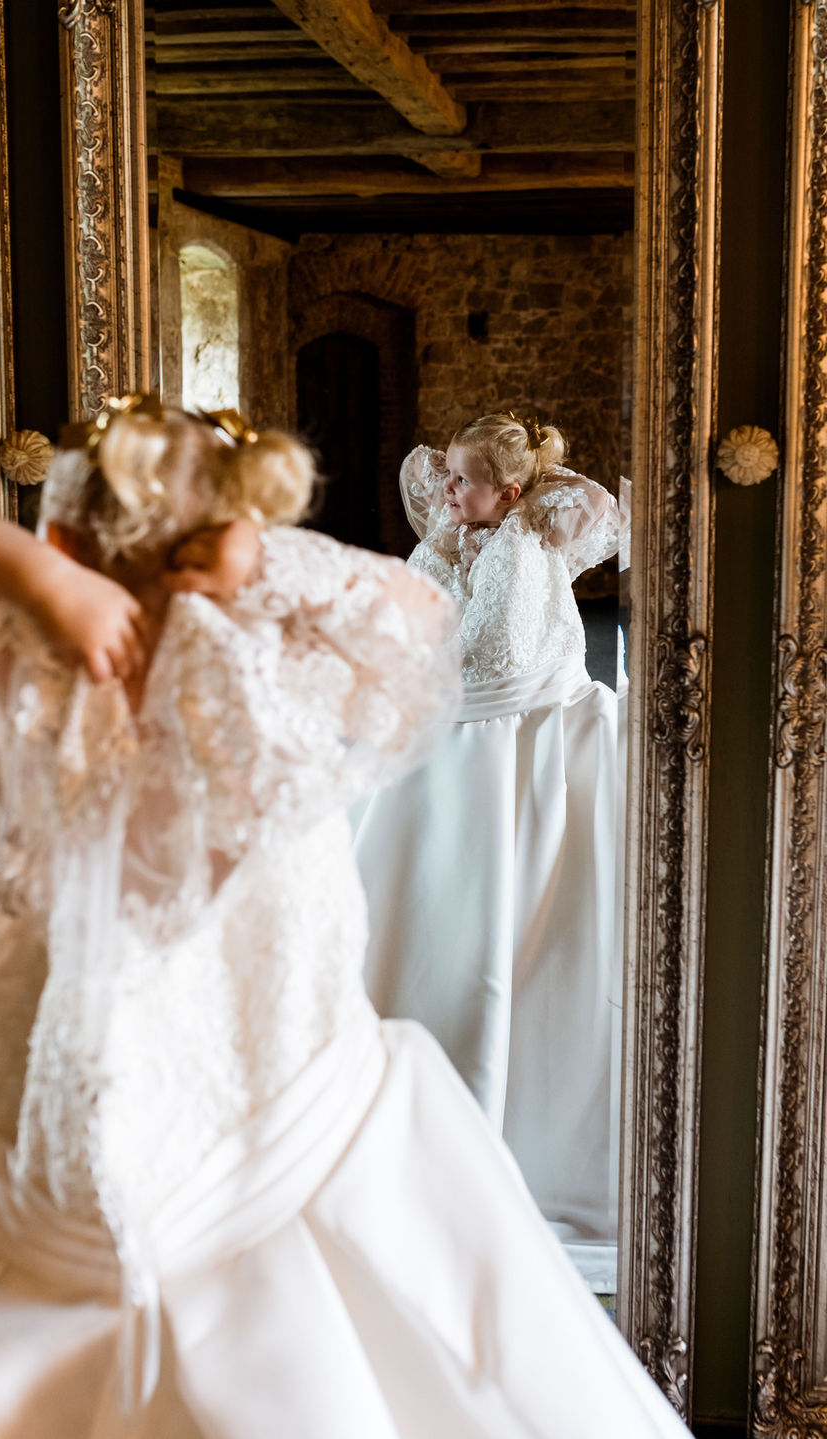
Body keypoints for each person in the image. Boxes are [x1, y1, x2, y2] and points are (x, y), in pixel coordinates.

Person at [0, 395, 685, 1438]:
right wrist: (250, 567)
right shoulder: (244, 668)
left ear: (62, 536)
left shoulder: (24, 655)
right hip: (104, 1130)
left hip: (191, 1124)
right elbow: (410, 615)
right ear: (243, 529)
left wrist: (38, 574)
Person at [355, 413, 625, 1287]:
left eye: (463, 483)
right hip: (453, 719)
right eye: (446, 479)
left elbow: (489, 653)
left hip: (505, 735)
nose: (447, 493)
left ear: (507, 493)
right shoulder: (455, 534)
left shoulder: (520, 546)